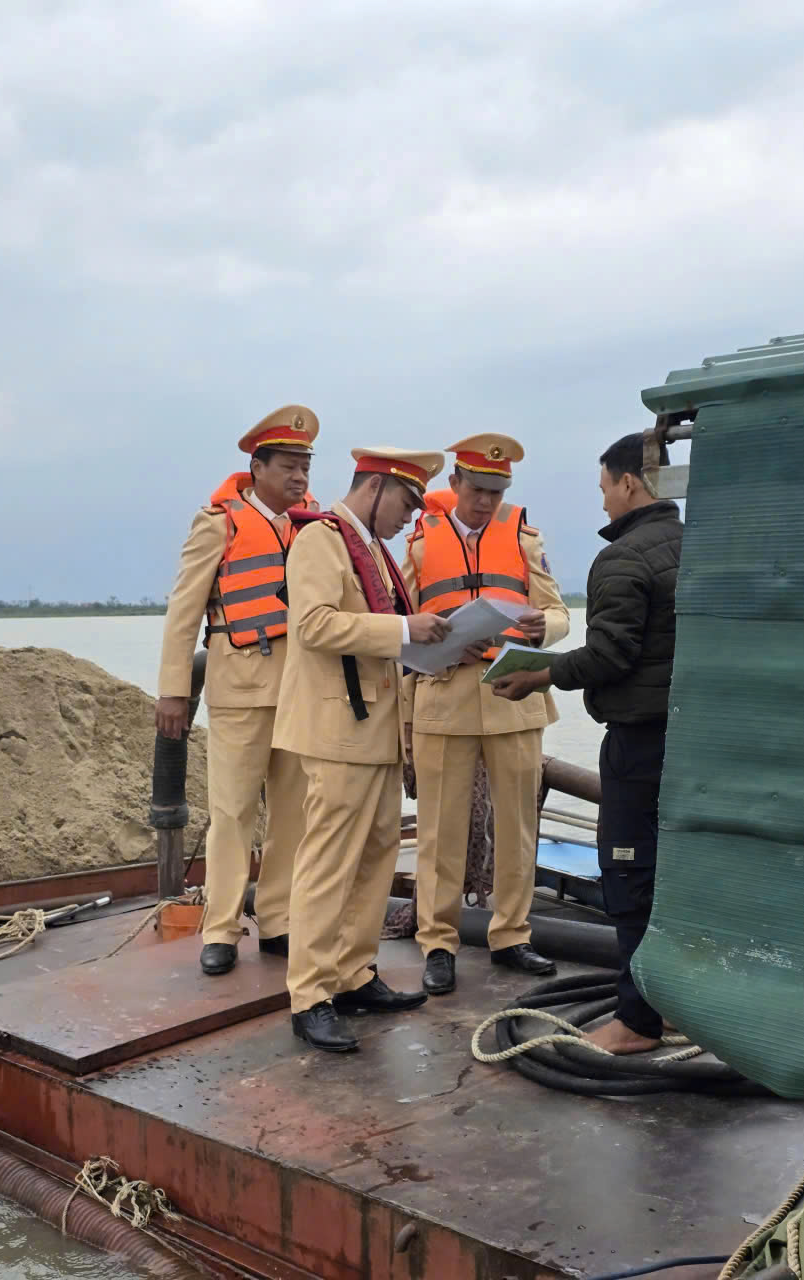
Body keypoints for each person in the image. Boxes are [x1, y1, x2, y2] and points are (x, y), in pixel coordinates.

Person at [493, 432, 683, 1053]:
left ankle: (636, 1021)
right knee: (678, 878)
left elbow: (610, 652)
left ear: (628, 482)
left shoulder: (623, 558)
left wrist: (539, 675)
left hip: (638, 744)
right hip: (688, 742)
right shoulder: (694, 545)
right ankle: (681, 1005)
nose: (603, 503)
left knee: (628, 875)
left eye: (604, 488)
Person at [273, 446, 448, 1052]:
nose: (408, 518)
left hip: (373, 728)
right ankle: (310, 994)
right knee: (327, 862)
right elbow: (314, 624)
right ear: (375, 486)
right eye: (404, 503)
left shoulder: (372, 549)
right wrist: (404, 630)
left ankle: (352, 972)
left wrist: (425, 639)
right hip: (336, 730)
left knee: (376, 855)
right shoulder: (321, 540)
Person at [403, 437, 570, 996]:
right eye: (477, 491)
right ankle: (438, 942)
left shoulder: (523, 535)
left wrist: (544, 628)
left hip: (512, 696)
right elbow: (397, 619)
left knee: (518, 828)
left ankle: (512, 935)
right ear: (455, 484)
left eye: (497, 492)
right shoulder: (422, 544)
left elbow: (558, 614)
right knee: (439, 831)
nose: (486, 503)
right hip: (444, 696)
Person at [156, 406, 319, 977]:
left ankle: (278, 920)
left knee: (294, 814)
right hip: (238, 686)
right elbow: (183, 610)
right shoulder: (218, 523)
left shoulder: (314, 528)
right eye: (289, 467)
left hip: (300, 691)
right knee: (232, 812)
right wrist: (175, 689)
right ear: (257, 467)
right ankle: (221, 928)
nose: (300, 478)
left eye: (306, 467)